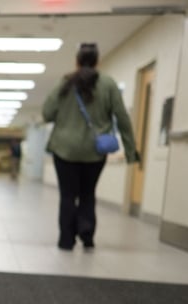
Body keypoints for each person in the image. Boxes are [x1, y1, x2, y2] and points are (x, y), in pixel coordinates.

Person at [42, 43, 140, 251]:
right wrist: (131, 151)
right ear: (97, 62)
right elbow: (122, 117)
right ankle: (87, 235)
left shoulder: (65, 83)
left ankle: (66, 240)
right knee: (88, 193)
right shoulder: (108, 84)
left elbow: (47, 113)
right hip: (95, 151)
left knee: (68, 195)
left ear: (76, 61)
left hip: (64, 149)